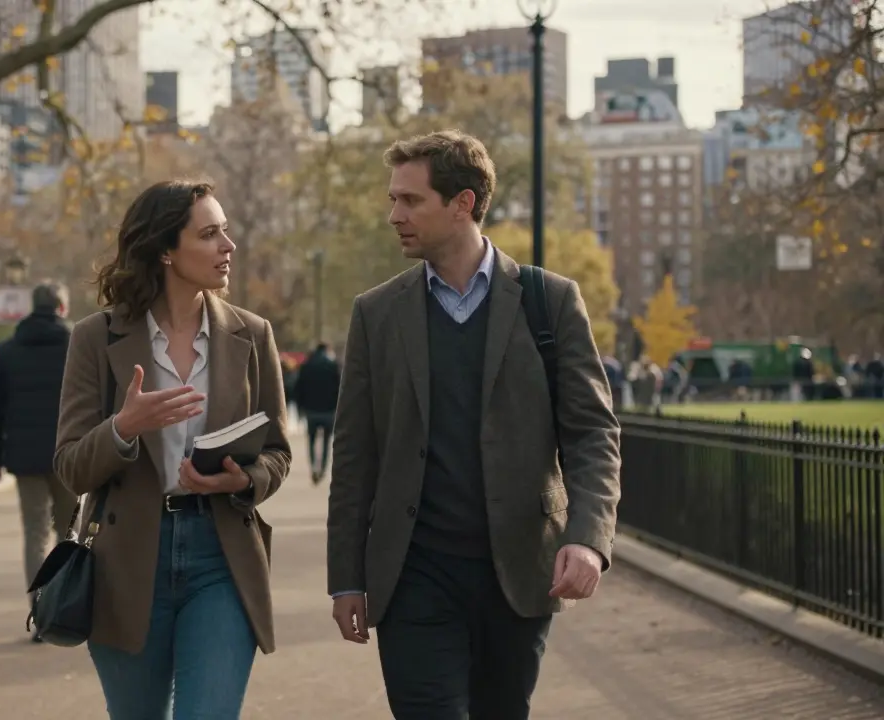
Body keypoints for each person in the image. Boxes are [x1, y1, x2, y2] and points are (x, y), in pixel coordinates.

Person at [326, 130, 621, 719]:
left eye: (411, 201)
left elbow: (592, 433)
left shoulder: (549, 301)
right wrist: (346, 579)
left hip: (517, 575)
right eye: (393, 200)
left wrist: (589, 539)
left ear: (463, 203)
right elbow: (356, 454)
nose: (394, 215)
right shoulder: (377, 313)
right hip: (412, 578)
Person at [54, 179, 291, 718]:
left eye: (226, 232)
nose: (227, 246)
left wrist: (244, 480)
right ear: (165, 249)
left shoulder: (252, 335)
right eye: (209, 234)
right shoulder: (96, 338)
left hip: (222, 555)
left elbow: (277, 452)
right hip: (129, 561)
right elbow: (71, 466)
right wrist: (123, 427)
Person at [0, 280, 75, 632]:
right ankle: (66, 607)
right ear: (61, 308)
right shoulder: (76, 344)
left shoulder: (9, 350)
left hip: (25, 456)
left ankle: (40, 611)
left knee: (35, 533)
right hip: (69, 454)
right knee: (69, 531)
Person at [293, 341, 340, 482]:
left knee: (312, 440)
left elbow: (299, 388)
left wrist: (300, 408)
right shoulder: (333, 366)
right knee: (326, 441)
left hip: (311, 410)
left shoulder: (306, 366)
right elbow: (340, 388)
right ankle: (323, 469)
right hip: (329, 410)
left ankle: (313, 466)